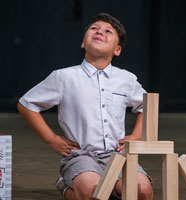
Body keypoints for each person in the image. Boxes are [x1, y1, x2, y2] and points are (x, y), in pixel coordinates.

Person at [17, 13, 153, 200]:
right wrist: (52, 139)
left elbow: (146, 105)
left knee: (142, 191)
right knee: (93, 192)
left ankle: (112, 190)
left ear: (117, 50)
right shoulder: (64, 77)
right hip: (81, 155)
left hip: (118, 156)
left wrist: (137, 136)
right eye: (94, 28)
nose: (100, 32)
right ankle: (66, 188)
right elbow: (26, 104)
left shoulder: (126, 79)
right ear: (83, 43)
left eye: (108, 31)